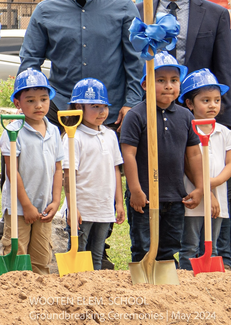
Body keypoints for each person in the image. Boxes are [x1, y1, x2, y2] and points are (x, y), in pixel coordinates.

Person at [21, 0, 144, 128]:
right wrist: (29, 99)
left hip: (110, 113)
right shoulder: (45, 11)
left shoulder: (124, 7)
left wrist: (132, 103)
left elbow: (135, 61)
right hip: (60, 112)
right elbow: (30, 61)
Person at [119, 52, 203, 268]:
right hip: (144, 199)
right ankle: (145, 287)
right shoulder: (136, 116)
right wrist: (135, 190)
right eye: (161, 80)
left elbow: (193, 154)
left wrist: (201, 187)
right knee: (143, 247)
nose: (168, 86)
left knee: (169, 247)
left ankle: (165, 293)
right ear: (146, 84)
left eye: (174, 81)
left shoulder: (186, 117)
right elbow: (128, 154)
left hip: (175, 197)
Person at [1, 70, 63, 275]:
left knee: (41, 257)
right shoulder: (12, 131)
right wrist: (26, 206)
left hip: (44, 207)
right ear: (17, 103)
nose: (38, 105)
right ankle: (13, 299)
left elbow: (57, 168)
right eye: (31, 100)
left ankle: (39, 299)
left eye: (44, 99)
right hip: (19, 208)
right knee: (16, 255)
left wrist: (55, 201)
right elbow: (12, 171)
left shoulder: (53, 130)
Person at [61, 78, 124, 272]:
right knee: (79, 251)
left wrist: (119, 203)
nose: (102, 112)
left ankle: (94, 293)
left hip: (104, 207)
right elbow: (68, 175)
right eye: (95, 106)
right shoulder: (74, 137)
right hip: (82, 207)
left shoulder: (110, 135)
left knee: (97, 255)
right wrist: (72, 207)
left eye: (104, 106)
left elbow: (115, 170)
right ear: (79, 106)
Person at [177, 69, 231, 270]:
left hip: (218, 196)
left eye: (216, 100)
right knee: (190, 246)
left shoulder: (224, 132)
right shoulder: (187, 129)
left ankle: (209, 290)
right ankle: (187, 285)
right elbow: (187, 164)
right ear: (189, 103)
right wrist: (205, 190)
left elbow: (229, 164)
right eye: (205, 100)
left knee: (212, 247)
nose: (212, 105)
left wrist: (213, 184)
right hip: (194, 196)